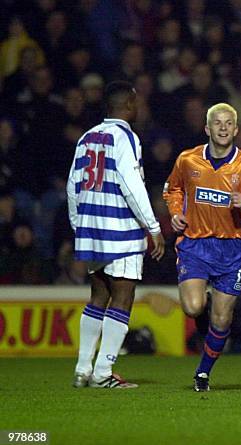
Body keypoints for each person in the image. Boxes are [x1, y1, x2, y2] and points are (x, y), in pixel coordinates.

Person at [164, 103, 241, 392]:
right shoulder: (188, 161)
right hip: (195, 244)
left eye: (229, 123)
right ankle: (203, 311)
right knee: (192, 307)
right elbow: (172, 189)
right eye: (218, 123)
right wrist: (176, 212)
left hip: (232, 250)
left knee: (223, 317)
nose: (223, 128)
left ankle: (203, 373)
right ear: (207, 129)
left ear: (236, 130)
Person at [67, 81, 165, 389]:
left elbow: (73, 185)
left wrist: (78, 224)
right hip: (120, 229)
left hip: (92, 229)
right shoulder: (126, 138)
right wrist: (153, 227)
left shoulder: (86, 137)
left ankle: (83, 368)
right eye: (135, 102)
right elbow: (132, 186)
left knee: (98, 296)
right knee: (122, 297)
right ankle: (103, 372)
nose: (138, 107)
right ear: (126, 105)